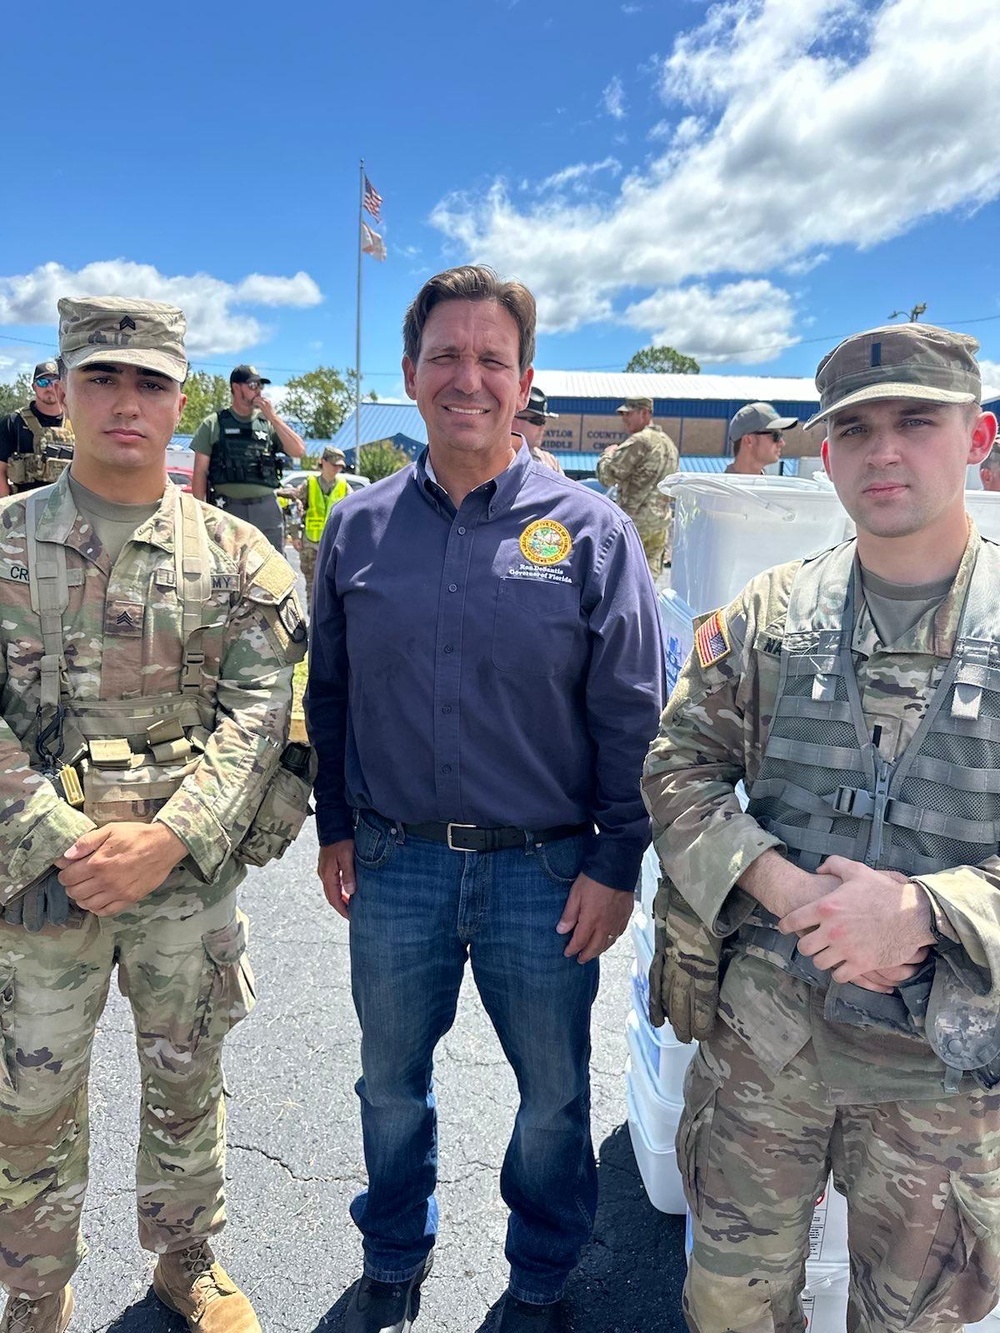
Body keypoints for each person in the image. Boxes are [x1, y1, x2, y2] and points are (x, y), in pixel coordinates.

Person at [307, 265, 664, 1333]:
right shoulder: (358, 529)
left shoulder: (592, 532)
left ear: (524, 380)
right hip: (396, 861)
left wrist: (615, 861)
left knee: (552, 1100)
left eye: (491, 359)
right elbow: (328, 694)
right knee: (387, 1082)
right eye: (446, 356)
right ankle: (392, 1245)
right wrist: (332, 823)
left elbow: (633, 714)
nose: (468, 377)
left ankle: (543, 1274)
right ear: (412, 375)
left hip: (545, 873)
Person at [642, 321, 1000, 1332]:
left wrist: (926, 909)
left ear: (974, 438)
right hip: (770, 1036)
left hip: (944, 1060)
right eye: (857, 429)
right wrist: (781, 885)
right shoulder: (770, 615)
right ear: (828, 452)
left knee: (911, 1317)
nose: (884, 451)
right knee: (728, 1302)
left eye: (916, 422)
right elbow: (678, 768)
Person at [0, 296, 310, 1333]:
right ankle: (35, 1294)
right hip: (44, 881)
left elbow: (264, 713)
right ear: (62, 390)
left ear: (181, 401)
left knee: (189, 1078)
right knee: (30, 1103)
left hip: (185, 878)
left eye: (149, 382)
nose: (126, 402)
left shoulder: (237, 556)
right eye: (102, 377)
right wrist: (61, 838)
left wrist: (171, 836)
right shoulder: (7, 545)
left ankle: (188, 1260)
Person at [190, 364, 306, 552]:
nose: (258, 391)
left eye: (260, 386)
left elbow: (298, 451)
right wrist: (199, 512)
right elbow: (200, 472)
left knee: (271, 569)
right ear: (236, 388)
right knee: (226, 567)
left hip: (266, 508)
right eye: (253, 386)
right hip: (227, 508)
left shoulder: (267, 423)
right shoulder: (214, 423)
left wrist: (274, 418)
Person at [596, 396, 678, 574]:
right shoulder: (669, 445)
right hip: (659, 524)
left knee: (622, 578)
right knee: (648, 582)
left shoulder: (639, 441)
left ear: (645, 413)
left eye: (629, 413)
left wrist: (607, 455)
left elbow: (607, 477)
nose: (624, 419)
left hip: (634, 524)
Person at [279, 446, 350, 609]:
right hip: (310, 543)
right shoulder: (309, 484)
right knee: (313, 586)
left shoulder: (344, 486)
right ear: (323, 462)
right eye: (333, 464)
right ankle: (314, 622)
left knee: (333, 586)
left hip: (335, 544)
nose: (337, 468)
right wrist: (295, 535)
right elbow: (294, 510)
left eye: (340, 466)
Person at [0, 360, 75, 496]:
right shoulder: (13, 422)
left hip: (69, 502)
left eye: (54, 381)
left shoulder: (77, 421)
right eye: (42, 382)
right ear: (34, 387)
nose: (49, 387)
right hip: (24, 505)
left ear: (62, 386)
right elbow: (0, 471)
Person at [724, 400, 797, 475]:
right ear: (749, 440)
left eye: (781, 435)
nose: (782, 443)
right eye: (776, 435)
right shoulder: (717, 486)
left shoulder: (774, 486)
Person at [514, 385, 563, 471]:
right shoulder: (490, 458)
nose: (542, 427)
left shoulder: (550, 462)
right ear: (513, 421)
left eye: (543, 421)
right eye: (537, 421)